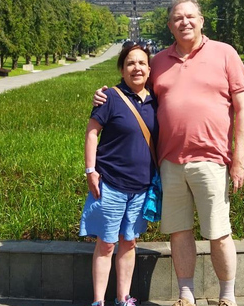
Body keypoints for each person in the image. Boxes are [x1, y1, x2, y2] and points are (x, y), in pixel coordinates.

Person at [94, 0, 244, 306]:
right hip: (170, 162)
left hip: (212, 159)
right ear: (169, 26)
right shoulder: (160, 62)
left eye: (190, 16)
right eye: (178, 18)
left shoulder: (225, 54)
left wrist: (240, 158)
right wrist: (105, 94)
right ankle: (186, 295)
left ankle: (227, 297)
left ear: (201, 20)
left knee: (219, 232)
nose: (185, 22)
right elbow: (134, 86)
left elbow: (243, 109)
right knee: (179, 232)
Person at [81, 42, 158, 306]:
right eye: (130, 63)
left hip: (141, 187)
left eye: (141, 63)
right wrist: (90, 170)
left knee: (129, 242)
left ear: (149, 69)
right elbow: (92, 133)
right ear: (122, 69)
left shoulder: (154, 100)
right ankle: (98, 301)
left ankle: (123, 298)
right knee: (106, 244)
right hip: (111, 184)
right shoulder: (110, 97)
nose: (136, 68)